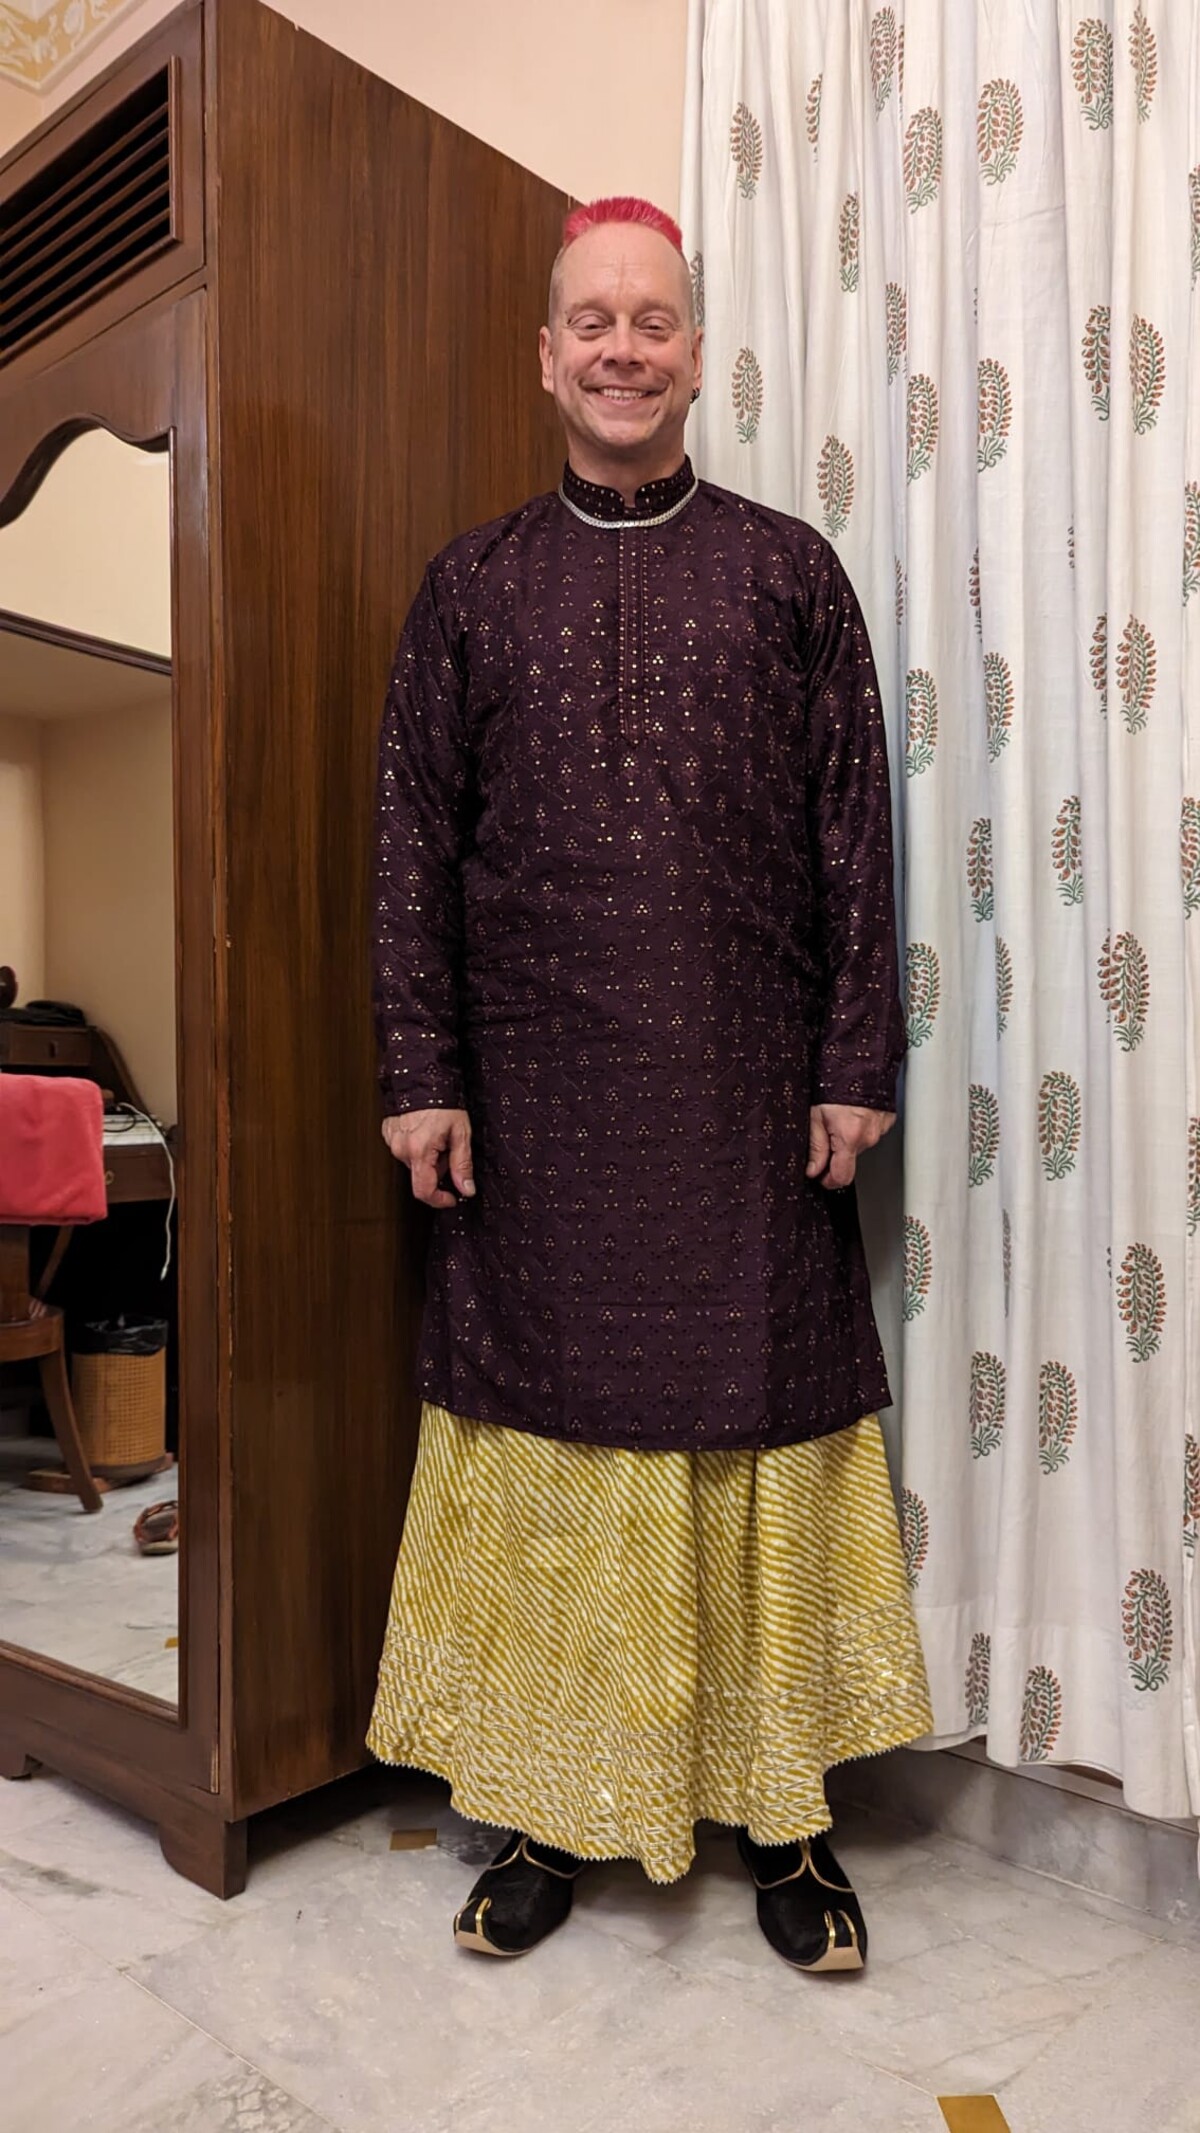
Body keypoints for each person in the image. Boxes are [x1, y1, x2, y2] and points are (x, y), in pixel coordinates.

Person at [368, 195, 932, 1972]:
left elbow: (858, 833)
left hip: (751, 1095)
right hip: (532, 1109)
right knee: (550, 1444)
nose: (624, 348)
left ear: (699, 354)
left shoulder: (789, 570)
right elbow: (408, 852)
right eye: (592, 321)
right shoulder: (469, 586)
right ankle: (542, 1806)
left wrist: (856, 1058)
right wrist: (419, 1072)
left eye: (655, 321)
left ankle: (786, 1821)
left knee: (753, 1432)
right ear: (547, 356)